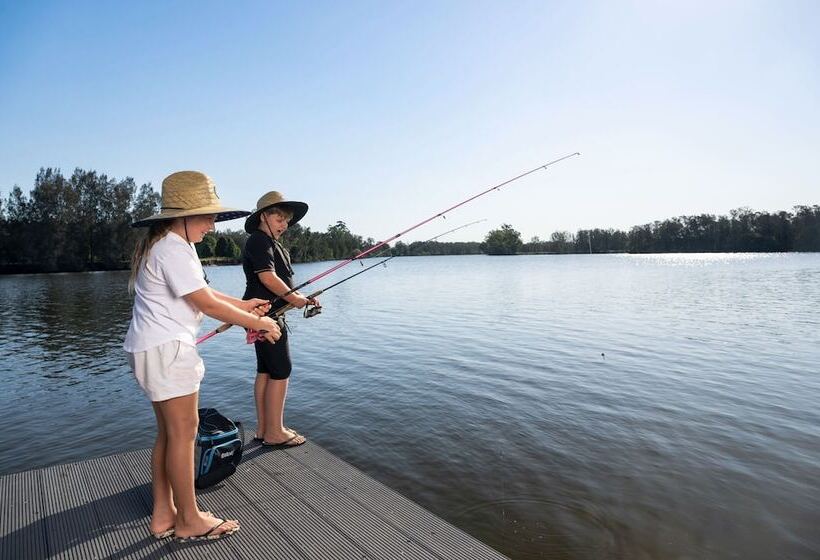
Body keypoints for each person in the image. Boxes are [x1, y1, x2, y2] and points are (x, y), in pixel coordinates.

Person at [124, 171, 281, 542]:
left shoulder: (168, 244)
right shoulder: (174, 248)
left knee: (169, 434)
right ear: (184, 216)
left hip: (149, 348)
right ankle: (189, 519)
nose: (212, 225)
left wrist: (243, 304)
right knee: (184, 434)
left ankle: (164, 513)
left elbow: (203, 293)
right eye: (208, 217)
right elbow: (205, 304)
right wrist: (261, 323)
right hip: (168, 351)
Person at [242, 191, 317, 448]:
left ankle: (264, 429)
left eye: (287, 220)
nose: (284, 225)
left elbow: (282, 284)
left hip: (265, 314)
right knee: (281, 369)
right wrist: (295, 299)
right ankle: (275, 432)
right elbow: (268, 278)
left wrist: (303, 299)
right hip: (265, 317)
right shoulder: (259, 240)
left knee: (266, 369)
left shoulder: (270, 243)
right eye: (279, 218)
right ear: (264, 216)